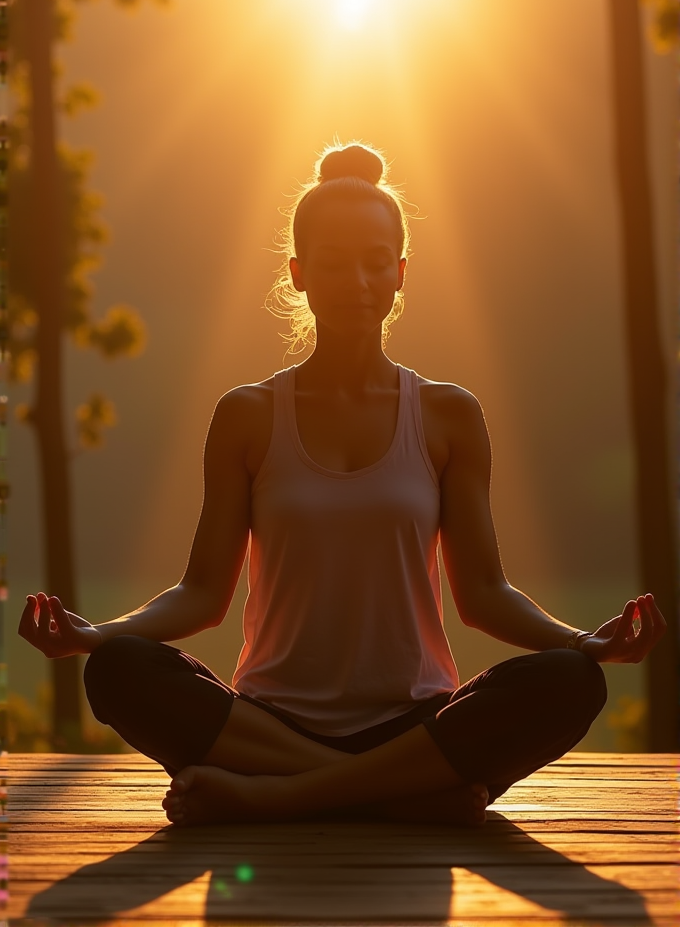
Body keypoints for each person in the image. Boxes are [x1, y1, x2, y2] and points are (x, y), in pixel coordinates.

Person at [19, 142, 665, 828]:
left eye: (374, 261)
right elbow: (202, 595)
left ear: (401, 272)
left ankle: (283, 795)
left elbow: (484, 596)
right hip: (269, 722)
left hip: (413, 723)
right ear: (299, 275)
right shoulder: (249, 415)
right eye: (332, 262)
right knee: (118, 670)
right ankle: (399, 794)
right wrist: (100, 634)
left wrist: (580, 643)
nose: (356, 280)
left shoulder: (449, 416)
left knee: (568, 683)